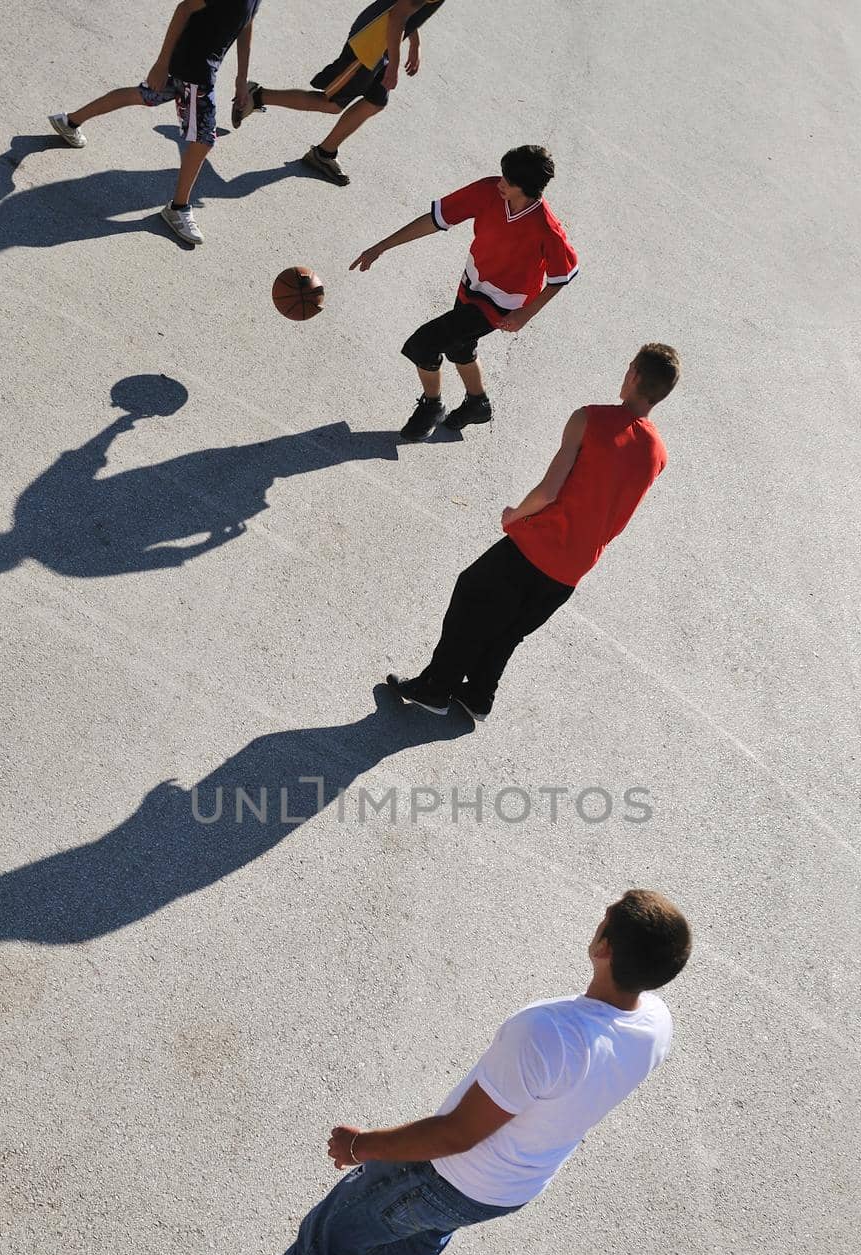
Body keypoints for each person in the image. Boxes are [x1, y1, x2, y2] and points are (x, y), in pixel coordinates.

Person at [172, 890, 692, 1255]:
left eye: (602, 922)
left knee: (327, 1240)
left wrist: (364, 1146)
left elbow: (456, 1135)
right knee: (424, 1233)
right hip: (512, 1187)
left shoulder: (548, 1033)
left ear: (603, 947)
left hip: (449, 1173)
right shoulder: (656, 1024)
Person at [387, 344, 680, 720]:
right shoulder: (658, 454)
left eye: (629, 368)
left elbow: (549, 490)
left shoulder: (589, 419)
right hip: (574, 567)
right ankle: (478, 696)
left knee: (471, 593)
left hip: (538, 546)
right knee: (510, 627)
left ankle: (436, 688)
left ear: (635, 375)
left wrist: (514, 516)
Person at [349, 145, 578, 437]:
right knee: (459, 347)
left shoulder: (547, 230)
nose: (500, 183)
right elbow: (436, 220)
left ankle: (431, 405)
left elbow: (562, 276)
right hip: (471, 284)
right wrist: (381, 247)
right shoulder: (488, 192)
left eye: (508, 180)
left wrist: (525, 314)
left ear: (527, 188)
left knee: (423, 345)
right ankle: (477, 404)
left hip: (501, 304)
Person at [47, 0, 262, 246]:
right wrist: (161, 63)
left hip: (192, 64)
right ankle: (178, 208)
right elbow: (184, 8)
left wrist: (241, 79)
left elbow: (246, 22)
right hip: (195, 69)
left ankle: (70, 121)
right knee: (203, 139)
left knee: (144, 95)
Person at [234, 0, 446, 187]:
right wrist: (394, 66)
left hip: (384, 45)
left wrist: (414, 42)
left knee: (375, 101)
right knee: (331, 103)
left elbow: (405, 8)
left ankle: (324, 154)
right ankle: (258, 96)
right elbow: (398, 15)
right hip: (369, 46)